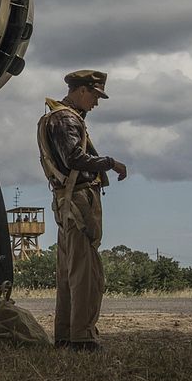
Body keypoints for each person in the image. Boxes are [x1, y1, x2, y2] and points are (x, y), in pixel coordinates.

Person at [37, 69, 127, 352]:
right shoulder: (66, 119)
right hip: (78, 200)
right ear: (82, 90)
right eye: (95, 96)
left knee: (68, 272)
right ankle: (82, 337)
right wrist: (110, 163)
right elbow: (74, 158)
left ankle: (66, 335)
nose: (96, 102)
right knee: (86, 272)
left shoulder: (58, 117)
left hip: (66, 200)